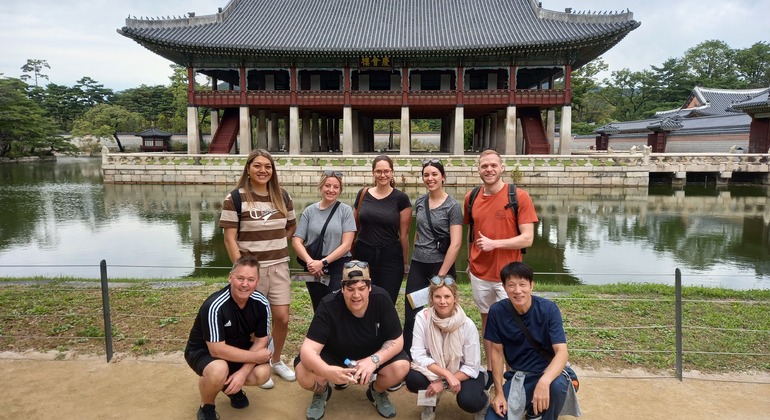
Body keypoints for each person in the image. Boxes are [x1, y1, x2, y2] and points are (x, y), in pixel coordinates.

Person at [219, 149, 297, 389]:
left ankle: (275, 359)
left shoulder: (282, 196)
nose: (263, 170)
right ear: (248, 168)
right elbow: (229, 238)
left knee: (282, 318)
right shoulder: (235, 198)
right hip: (253, 272)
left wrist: (275, 243)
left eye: (268, 166)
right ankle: (255, 364)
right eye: (258, 166)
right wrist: (242, 271)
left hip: (279, 266)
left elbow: (291, 227)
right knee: (254, 322)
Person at [294, 260, 410, 420]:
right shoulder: (328, 304)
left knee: (401, 367)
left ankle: (376, 391)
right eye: (350, 289)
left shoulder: (381, 298)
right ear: (342, 288)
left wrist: (374, 360)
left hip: (372, 354)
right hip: (335, 356)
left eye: (362, 288)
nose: (356, 295)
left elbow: (397, 340)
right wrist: (326, 371)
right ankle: (321, 392)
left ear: (369, 287)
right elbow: (307, 350)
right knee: (303, 373)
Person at [463, 149, 538, 385]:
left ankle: (513, 373)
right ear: (478, 169)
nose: (489, 170)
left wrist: (495, 244)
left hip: (509, 276)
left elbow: (527, 238)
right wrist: (469, 260)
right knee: (488, 322)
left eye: (493, 165)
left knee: (514, 323)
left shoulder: (519, 196)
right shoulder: (471, 197)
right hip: (480, 273)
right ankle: (491, 372)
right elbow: (471, 234)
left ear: (502, 167)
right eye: (484, 166)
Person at [184, 255, 272, 420]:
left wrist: (243, 373)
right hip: (204, 351)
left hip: (236, 350)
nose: (245, 284)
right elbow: (217, 350)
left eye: (250, 279)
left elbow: (261, 340)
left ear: (257, 281)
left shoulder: (262, 303)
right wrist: (255, 357)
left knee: (262, 373)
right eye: (240, 278)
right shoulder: (215, 305)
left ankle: (230, 387)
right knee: (218, 370)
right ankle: (207, 406)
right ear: (230, 277)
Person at [484, 262, 569, 420]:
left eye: (522, 284)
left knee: (557, 386)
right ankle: (532, 407)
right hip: (519, 376)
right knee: (492, 418)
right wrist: (499, 393)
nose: (517, 291)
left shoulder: (549, 309)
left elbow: (562, 352)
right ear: (504, 287)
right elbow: (496, 353)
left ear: (531, 285)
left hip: (547, 372)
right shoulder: (497, 311)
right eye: (511, 285)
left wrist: (544, 381)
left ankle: (544, 415)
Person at [406, 275, 489, 420]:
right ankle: (430, 402)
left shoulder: (467, 325)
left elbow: (471, 366)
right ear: (431, 298)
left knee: (468, 401)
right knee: (414, 380)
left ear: (455, 298)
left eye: (447, 296)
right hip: (437, 367)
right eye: (437, 296)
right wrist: (446, 374)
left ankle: (484, 401)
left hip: (462, 370)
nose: (442, 301)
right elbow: (418, 354)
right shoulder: (422, 318)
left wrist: (443, 383)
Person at [403, 158, 462, 356]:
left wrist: (441, 276)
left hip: (441, 267)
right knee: (412, 312)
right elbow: (419, 232)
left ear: (443, 177)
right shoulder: (420, 201)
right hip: (419, 264)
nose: (430, 178)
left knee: (443, 311)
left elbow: (456, 243)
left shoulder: (453, 206)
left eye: (434, 174)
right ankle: (410, 355)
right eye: (426, 175)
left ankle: (442, 354)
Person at [293, 170, 356, 310]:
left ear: (340, 190)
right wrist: (310, 262)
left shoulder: (345, 211)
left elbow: (347, 245)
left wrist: (323, 263)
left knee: (336, 305)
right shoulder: (309, 211)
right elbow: (297, 241)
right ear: (321, 187)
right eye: (327, 186)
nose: (331, 190)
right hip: (313, 266)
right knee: (319, 305)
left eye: (336, 187)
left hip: (337, 266)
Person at [353, 154, 412, 304]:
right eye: (378, 171)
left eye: (386, 171)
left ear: (392, 172)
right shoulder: (363, 194)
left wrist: (405, 263)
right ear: (373, 173)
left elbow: (404, 235)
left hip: (390, 257)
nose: (382, 175)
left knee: (386, 301)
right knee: (362, 299)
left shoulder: (401, 198)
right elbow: (353, 228)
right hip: (363, 254)